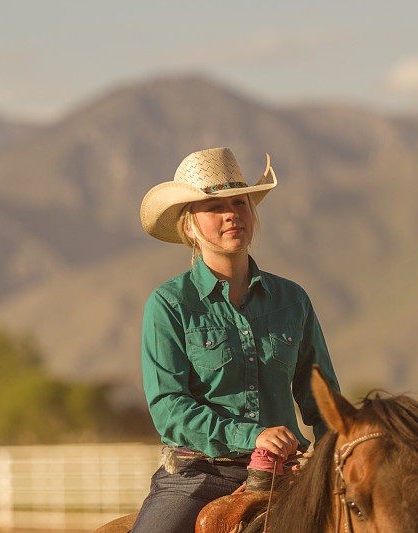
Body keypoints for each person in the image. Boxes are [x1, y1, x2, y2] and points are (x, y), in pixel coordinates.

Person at [133, 147, 340, 532]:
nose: (231, 214)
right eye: (215, 208)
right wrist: (254, 434)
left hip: (289, 474)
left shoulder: (292, 299)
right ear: (189, 226)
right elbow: (169, 407)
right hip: (199, 476)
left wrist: (337, 452)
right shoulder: (169, 305)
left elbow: (320, 394)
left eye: (239, 203)